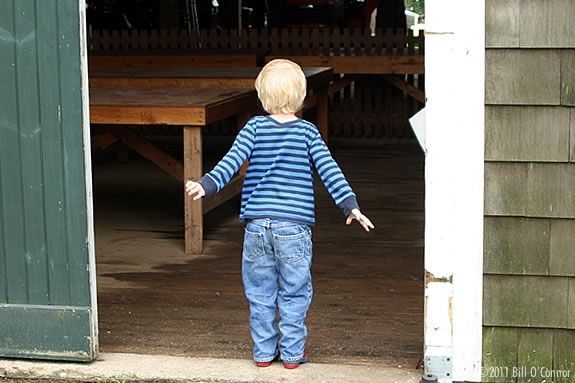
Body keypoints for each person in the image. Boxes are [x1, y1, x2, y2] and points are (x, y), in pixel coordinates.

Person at [185, 59, 374, 369]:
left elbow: (230, 163)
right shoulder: (308, 133)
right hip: (294, 228)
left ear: (263, 97)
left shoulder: (254, 128)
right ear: (300, 97)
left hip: (257, 227)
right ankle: (291, 354)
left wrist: (207, 184)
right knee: (295, 291)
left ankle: (262, 353)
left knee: (259, 291)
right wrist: (349, 205)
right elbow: (330, 172)